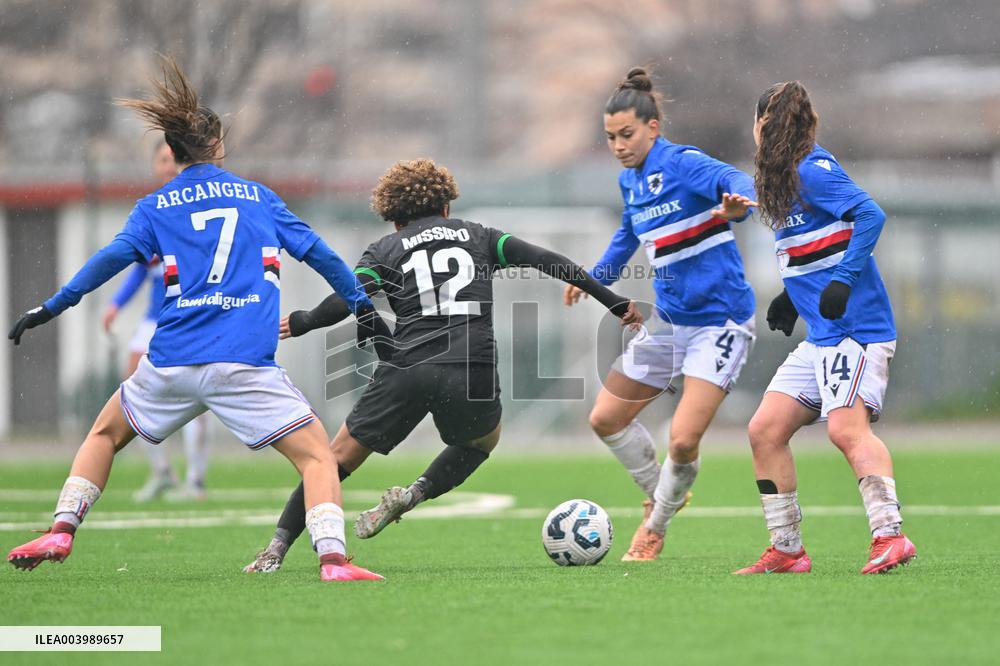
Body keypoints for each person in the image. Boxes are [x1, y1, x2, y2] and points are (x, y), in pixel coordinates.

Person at [6, 55, 383, 582]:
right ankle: (334, 561)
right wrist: (362, 307)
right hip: (244, 363)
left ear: (173, 153)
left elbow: (108, 261)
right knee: (318, 457)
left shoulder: (156, 205)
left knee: (103, 435)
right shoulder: (258, 198)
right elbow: (319, 253)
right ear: (218, 145)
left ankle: (61, 529)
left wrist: (53, 305)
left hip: (171, 362)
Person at [243, 157, 641, 573]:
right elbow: (550, 261)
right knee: (479, 443)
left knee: (331, 460)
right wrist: (614, 303)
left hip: (407, 367)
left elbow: (347, 297)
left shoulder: (386, 250)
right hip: (472, 366)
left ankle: (274, 549)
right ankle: (414, 493)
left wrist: (305, 321)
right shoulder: (481, 237)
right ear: (447, 206)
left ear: (394, 219)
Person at [564, 67, 758, 561]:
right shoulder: (630, 182)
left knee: (683, 439)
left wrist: (737, 206)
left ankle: (655, 526)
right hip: (671, 324)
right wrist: (590, 280)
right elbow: (627, 237)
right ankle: (662, 491)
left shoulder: (682, 163)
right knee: (605, 418)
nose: (618, 145)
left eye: (626, 134)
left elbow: (735, 181)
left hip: (720, 324)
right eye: (610, 137)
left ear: (653, 127)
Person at [734, 81, 916, 575]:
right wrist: (792, 297)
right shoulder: (785, 178)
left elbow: (869, 214)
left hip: (855, 329)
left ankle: (890, 536)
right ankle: (788, 550)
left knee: (845, 430)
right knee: (765, 430)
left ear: (760, 126)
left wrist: (842, 281)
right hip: (824, 336)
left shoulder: (811, 170)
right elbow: (814, 245)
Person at [102, 141, 211, 502]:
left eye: (173, 158)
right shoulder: (153, 209)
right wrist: (116, 304)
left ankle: (195, 479)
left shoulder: (200, 204)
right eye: (162, 159)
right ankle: (162, 471)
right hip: (155, 319)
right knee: (133, 385)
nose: (169, 165)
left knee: (198, 390)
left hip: (191, 316)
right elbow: (140, 268)